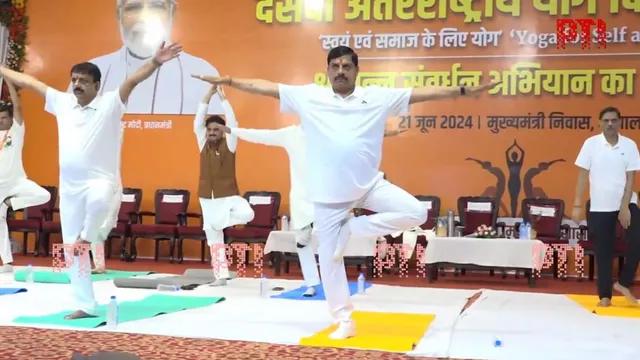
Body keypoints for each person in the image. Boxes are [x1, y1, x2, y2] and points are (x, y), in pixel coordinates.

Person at [192, 45, 498, 339]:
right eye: (335, 67)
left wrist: (461, 91)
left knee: (417, 212)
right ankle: (344, 319)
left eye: (347, 67)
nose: (341, 71)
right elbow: (268, 87)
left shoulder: (376, 97)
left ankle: (352, 228)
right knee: (330, 260)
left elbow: (420, 94)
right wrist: (230, 81)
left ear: (356, 71)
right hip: (328, 199)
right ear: (327, 70)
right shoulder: (309, 96)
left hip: (370, 186)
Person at [0, 41, 182, 319]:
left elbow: (132, 80)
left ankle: (88, 237)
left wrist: (156, 61)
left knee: (98, 203)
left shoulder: (110, 103)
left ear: (97, 85)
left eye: (83, 81)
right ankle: (86, 304)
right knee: (73, 250)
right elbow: (29, 81)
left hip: (101, 180)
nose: (77, 84)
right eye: (74, 79)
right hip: (70, 188)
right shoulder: (62, 102)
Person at [214, 121, 406, 295]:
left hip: (326, 195)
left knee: (333, 238)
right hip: (300, 198)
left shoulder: (328, 131)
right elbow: (261, 134)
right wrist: (232, 130)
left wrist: (386, 133)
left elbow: (357, 135)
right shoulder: (290, 134)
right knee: (302, 242)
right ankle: (311, 283)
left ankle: (334, 281)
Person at [71, 0, 222, 115]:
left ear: (173, 13)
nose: (143, 19)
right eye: (134, 8)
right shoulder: (89, 71)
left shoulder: (202, 72)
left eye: (156, 6)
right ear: (119, 15)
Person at [571, 106, 640, 306]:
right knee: (604, 251)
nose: (610, 124)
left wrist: (625, 206)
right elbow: (582, 176)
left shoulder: (629, 145)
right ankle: (605, 296)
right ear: (600, 122)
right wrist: (576, 204)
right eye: (606, 120)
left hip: (626, 203)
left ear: (620, 122)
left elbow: (631, 178)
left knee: (637, 239)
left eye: (614, 120)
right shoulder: (591, 144)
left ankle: (624, 282)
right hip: (600, 206)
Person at [194, 86, 254, 287]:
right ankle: (221, 276)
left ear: (222, 131)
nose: (211, 132)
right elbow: (197, 123)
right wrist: (206, 96)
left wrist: (223, 99)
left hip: (228, 195)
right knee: (214, 239)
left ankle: (219, 223)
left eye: (216, 130)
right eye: (209, 129)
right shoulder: (202, 143)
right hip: (206, 197)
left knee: (248, 214)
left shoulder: (230, 144)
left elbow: (234, 123)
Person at [0, 80, 51, 273]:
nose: (1, 121)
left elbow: (18, 106)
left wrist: (9, 82)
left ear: (11, 119)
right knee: (0, 224)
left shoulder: (16, 131)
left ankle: (9, 203)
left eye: (4, 117)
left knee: (44, 195)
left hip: (17, 182)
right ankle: (7, 263)